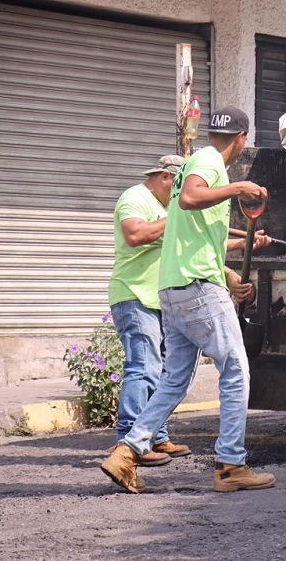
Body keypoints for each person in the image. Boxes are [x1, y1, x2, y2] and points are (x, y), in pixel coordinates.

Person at [101, 106, 276, 494]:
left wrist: (237, 258)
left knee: (175, 379)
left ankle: (127, 451)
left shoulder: (195, 165)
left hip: (174, 288)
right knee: (235, 370)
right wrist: (239, 188)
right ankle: (231, 464)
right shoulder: (209, 161)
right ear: (242, 139)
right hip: (196, 287)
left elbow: (196, 234)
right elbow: (191, 200)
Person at [108, 154, 191, 467]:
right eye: (180, 187)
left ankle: (156, 436)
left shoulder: (168, 208)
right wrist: (177, 217)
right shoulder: (135, 197)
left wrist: (250, 241)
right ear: (166, 178)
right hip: (134, 296)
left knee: (163, 371)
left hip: (159, 300)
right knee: (143, 366)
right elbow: (134, 235)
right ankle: (129, 439)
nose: (184, 194)